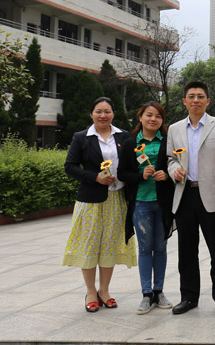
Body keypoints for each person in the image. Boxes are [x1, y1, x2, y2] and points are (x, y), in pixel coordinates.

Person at [166, 81, 215, 315]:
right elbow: (170, 159)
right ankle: (188, 297)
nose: (196, 100)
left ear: (208, 101)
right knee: (186, 250)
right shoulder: (174, 129)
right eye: (191, 96)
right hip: (184, 193)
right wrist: (174, 170)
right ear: (184, 101)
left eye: (200, 96)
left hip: (212, 195)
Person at [63, 97, 135, 313]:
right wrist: (95, 177)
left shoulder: (123, 136)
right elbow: (70, 166)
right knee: (89, 245)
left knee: (109, 246)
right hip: (90, 202)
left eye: (107, 111)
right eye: (98, 111)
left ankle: (104, 290)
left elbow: (130, 164)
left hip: (117, 200)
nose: (103, 115)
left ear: (113, 114)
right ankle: (90, 291)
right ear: (91, 114)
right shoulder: (81, 137)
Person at [118, 102, 175, 314]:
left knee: (160, 247)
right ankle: (146, 294)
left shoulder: (168, 142)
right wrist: (140, 176)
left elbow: (177, 167)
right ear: (140, 117)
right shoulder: (130, 143)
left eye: (158, 116)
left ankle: (159, 291)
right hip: (141, 202)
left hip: (162, 203)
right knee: (144, 249)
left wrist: (166, 176)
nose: (153, 119)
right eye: (149, 115)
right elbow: (122, 173)